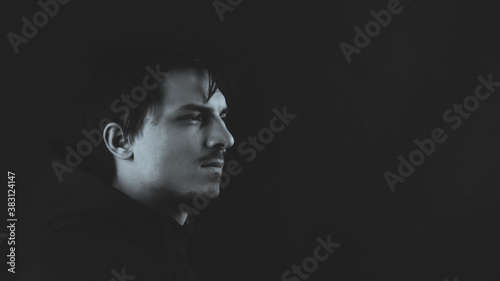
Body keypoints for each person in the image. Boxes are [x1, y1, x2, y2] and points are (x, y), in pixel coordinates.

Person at [17, 37, 234, 281]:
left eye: (222, 116)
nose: (226, 139)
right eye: (193, 117)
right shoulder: (70, 268)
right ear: (120, 140)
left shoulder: (176, 248)